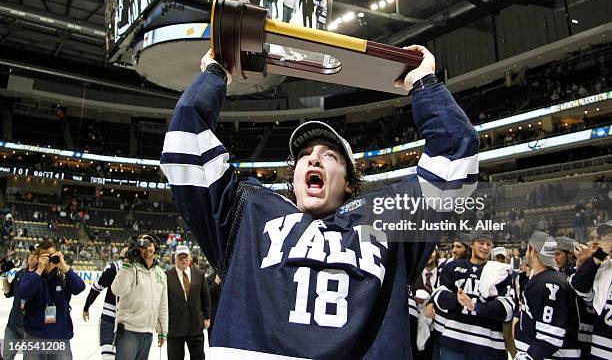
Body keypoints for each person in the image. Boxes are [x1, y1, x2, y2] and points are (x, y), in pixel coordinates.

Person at [160, 45, 479, 358]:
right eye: (304, 156)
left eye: (329, 155)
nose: (313, 159)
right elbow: (186, 147)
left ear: (350, 184)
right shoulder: (247, 214)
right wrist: (215, 74)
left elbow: (455, 156)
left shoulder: (386, 221)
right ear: (294, 177)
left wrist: (424, 83)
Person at [431, 232, 514, 360]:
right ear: (471, 244)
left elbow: (508, 310)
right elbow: (438, 296)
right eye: (481, 243)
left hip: (487, 346)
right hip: (454, 341)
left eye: (488, 244)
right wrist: (456, 299)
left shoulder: (500, 272)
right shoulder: (453, 267)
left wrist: (477, 307)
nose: (485, 247)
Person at [514, 232, 581, 359]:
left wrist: (528, 357)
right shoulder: (544, 278)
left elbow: (550, 337)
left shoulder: (549, 283)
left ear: (532, 249)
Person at [19, 241, 86, 359]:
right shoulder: (31, 275)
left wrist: (63, 266)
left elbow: (79, 287)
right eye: (45, 257)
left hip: (60, 336)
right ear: (39, 258)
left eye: (51, 255)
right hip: (35, 335)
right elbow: (24, 293)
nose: (49, 260)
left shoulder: (62, 275)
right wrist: (39, 269)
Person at [111, 234, 168, 360]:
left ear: (155, 247)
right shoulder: (131, 268)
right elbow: (117, 290)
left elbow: (163, 305)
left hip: (148, 333)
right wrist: (126, 264)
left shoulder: (160, 274)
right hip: (128, 331)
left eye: (149, 243)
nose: (146, 247)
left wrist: (163, 330)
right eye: (142, 244)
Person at [570, 221, 611, 360]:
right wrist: (596, 257)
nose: (598, 243)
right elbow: (579, 286)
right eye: (604, 238)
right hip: (598, 347)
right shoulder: (603, 267)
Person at [424, 237, 470, 360]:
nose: (454, 250)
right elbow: (439, 289)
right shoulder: (445, 265)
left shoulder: (473, 269)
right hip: (439, 328)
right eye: (453, 246)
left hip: (459, 331)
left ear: (468, 249)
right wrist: (431, 303)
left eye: (458, 247)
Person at [82, 247, 128, 360]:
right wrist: (86, 307)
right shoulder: (114, 269)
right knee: (108, 357)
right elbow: (96, 288)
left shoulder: (141, 271)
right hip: (110, 320)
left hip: (129, 322)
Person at [166, 245, 211, 360]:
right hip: (174, 327)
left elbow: (205, 297)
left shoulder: (199, 274)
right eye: (180, 257)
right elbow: (163, 301)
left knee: (198, 357)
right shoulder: (167, 276)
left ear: (190, 258)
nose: (183, 259)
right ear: (175, 259)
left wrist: (207, 317)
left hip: (195, 325)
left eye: (185, 257)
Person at [1, 246, 38, 360]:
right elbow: (8, 293)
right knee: (7, 357)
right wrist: (3, 275)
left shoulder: (43, 277)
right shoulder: (20, 274)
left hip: (31, 328)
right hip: (13, 324)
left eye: (35, 255)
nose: (31, 256)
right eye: (31, 253)